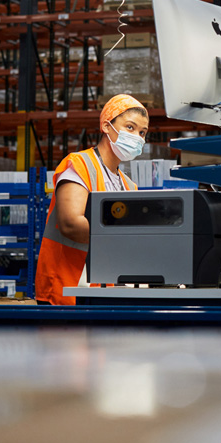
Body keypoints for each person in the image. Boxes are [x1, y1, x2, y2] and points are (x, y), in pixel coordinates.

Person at [35, 94, 149, 305]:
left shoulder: (129, 185)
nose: (138, 137)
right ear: (106, 126)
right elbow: (70, 224)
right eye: (130, 128)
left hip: (103, 292)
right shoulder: (80, 165)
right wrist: (124, 234)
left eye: (142, 132)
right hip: (66, 290)